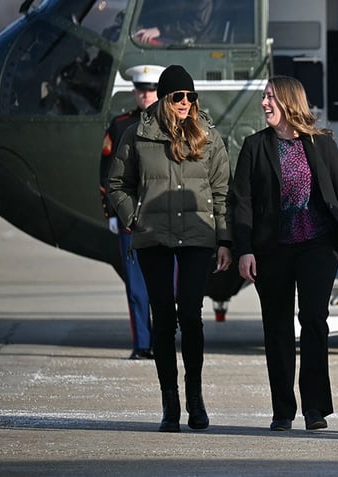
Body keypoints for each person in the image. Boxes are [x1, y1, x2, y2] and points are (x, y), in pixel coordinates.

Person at [108, 64, 232, 433]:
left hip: (197, 237)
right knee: (162, 319)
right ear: (164, 99)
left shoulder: (208, 136)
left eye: (190, 97)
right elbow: (117, 184)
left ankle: (195, 396)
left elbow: (222, 192)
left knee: (191, 317)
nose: (184, 103)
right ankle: (170, 401)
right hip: (154, 238)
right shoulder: (136, 135)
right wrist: (135, 218)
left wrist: (224, 239)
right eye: (178, 96)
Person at [229, 76, 338, 432]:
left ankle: (315, 408)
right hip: (273, 249)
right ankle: (282, 409)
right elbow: (242, 204)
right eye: (264, 98)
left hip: (317, 245)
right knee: (277, 327)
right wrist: (244, 250)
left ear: (288, 101)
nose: (264, 103)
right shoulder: (255, 146)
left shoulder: (322, 144)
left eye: (270, 98)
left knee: (314, 320)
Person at [99, 65, 165, 361]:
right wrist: (112, 212)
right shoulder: (121, 125)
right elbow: (107, 174)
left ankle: (164, 341)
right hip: (133, 221)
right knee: (138, 290)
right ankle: (142, 344)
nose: (146, 96)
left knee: (168, 291)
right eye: (141, 90)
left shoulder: (175, 125)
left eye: (151, 90)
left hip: (167, 221)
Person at [134, 0, 213, 45]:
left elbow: (196, 25)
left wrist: (161, 30)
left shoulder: (202, 2)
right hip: (163, 32)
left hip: (185, 42)